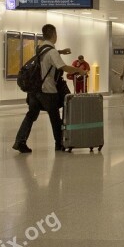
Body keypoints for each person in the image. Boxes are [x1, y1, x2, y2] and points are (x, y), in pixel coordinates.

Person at [13, 24, 87, 153]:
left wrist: (61, 52)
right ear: (53, 34)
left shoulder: (40, 48)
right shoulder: (52, 51)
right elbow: (63, 67)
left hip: (34, 90)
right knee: (54, 117)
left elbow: (46, 57)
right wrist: (79, 70)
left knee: (31, 115)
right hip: (47, 90)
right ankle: (59, 143)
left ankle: (20, 141)